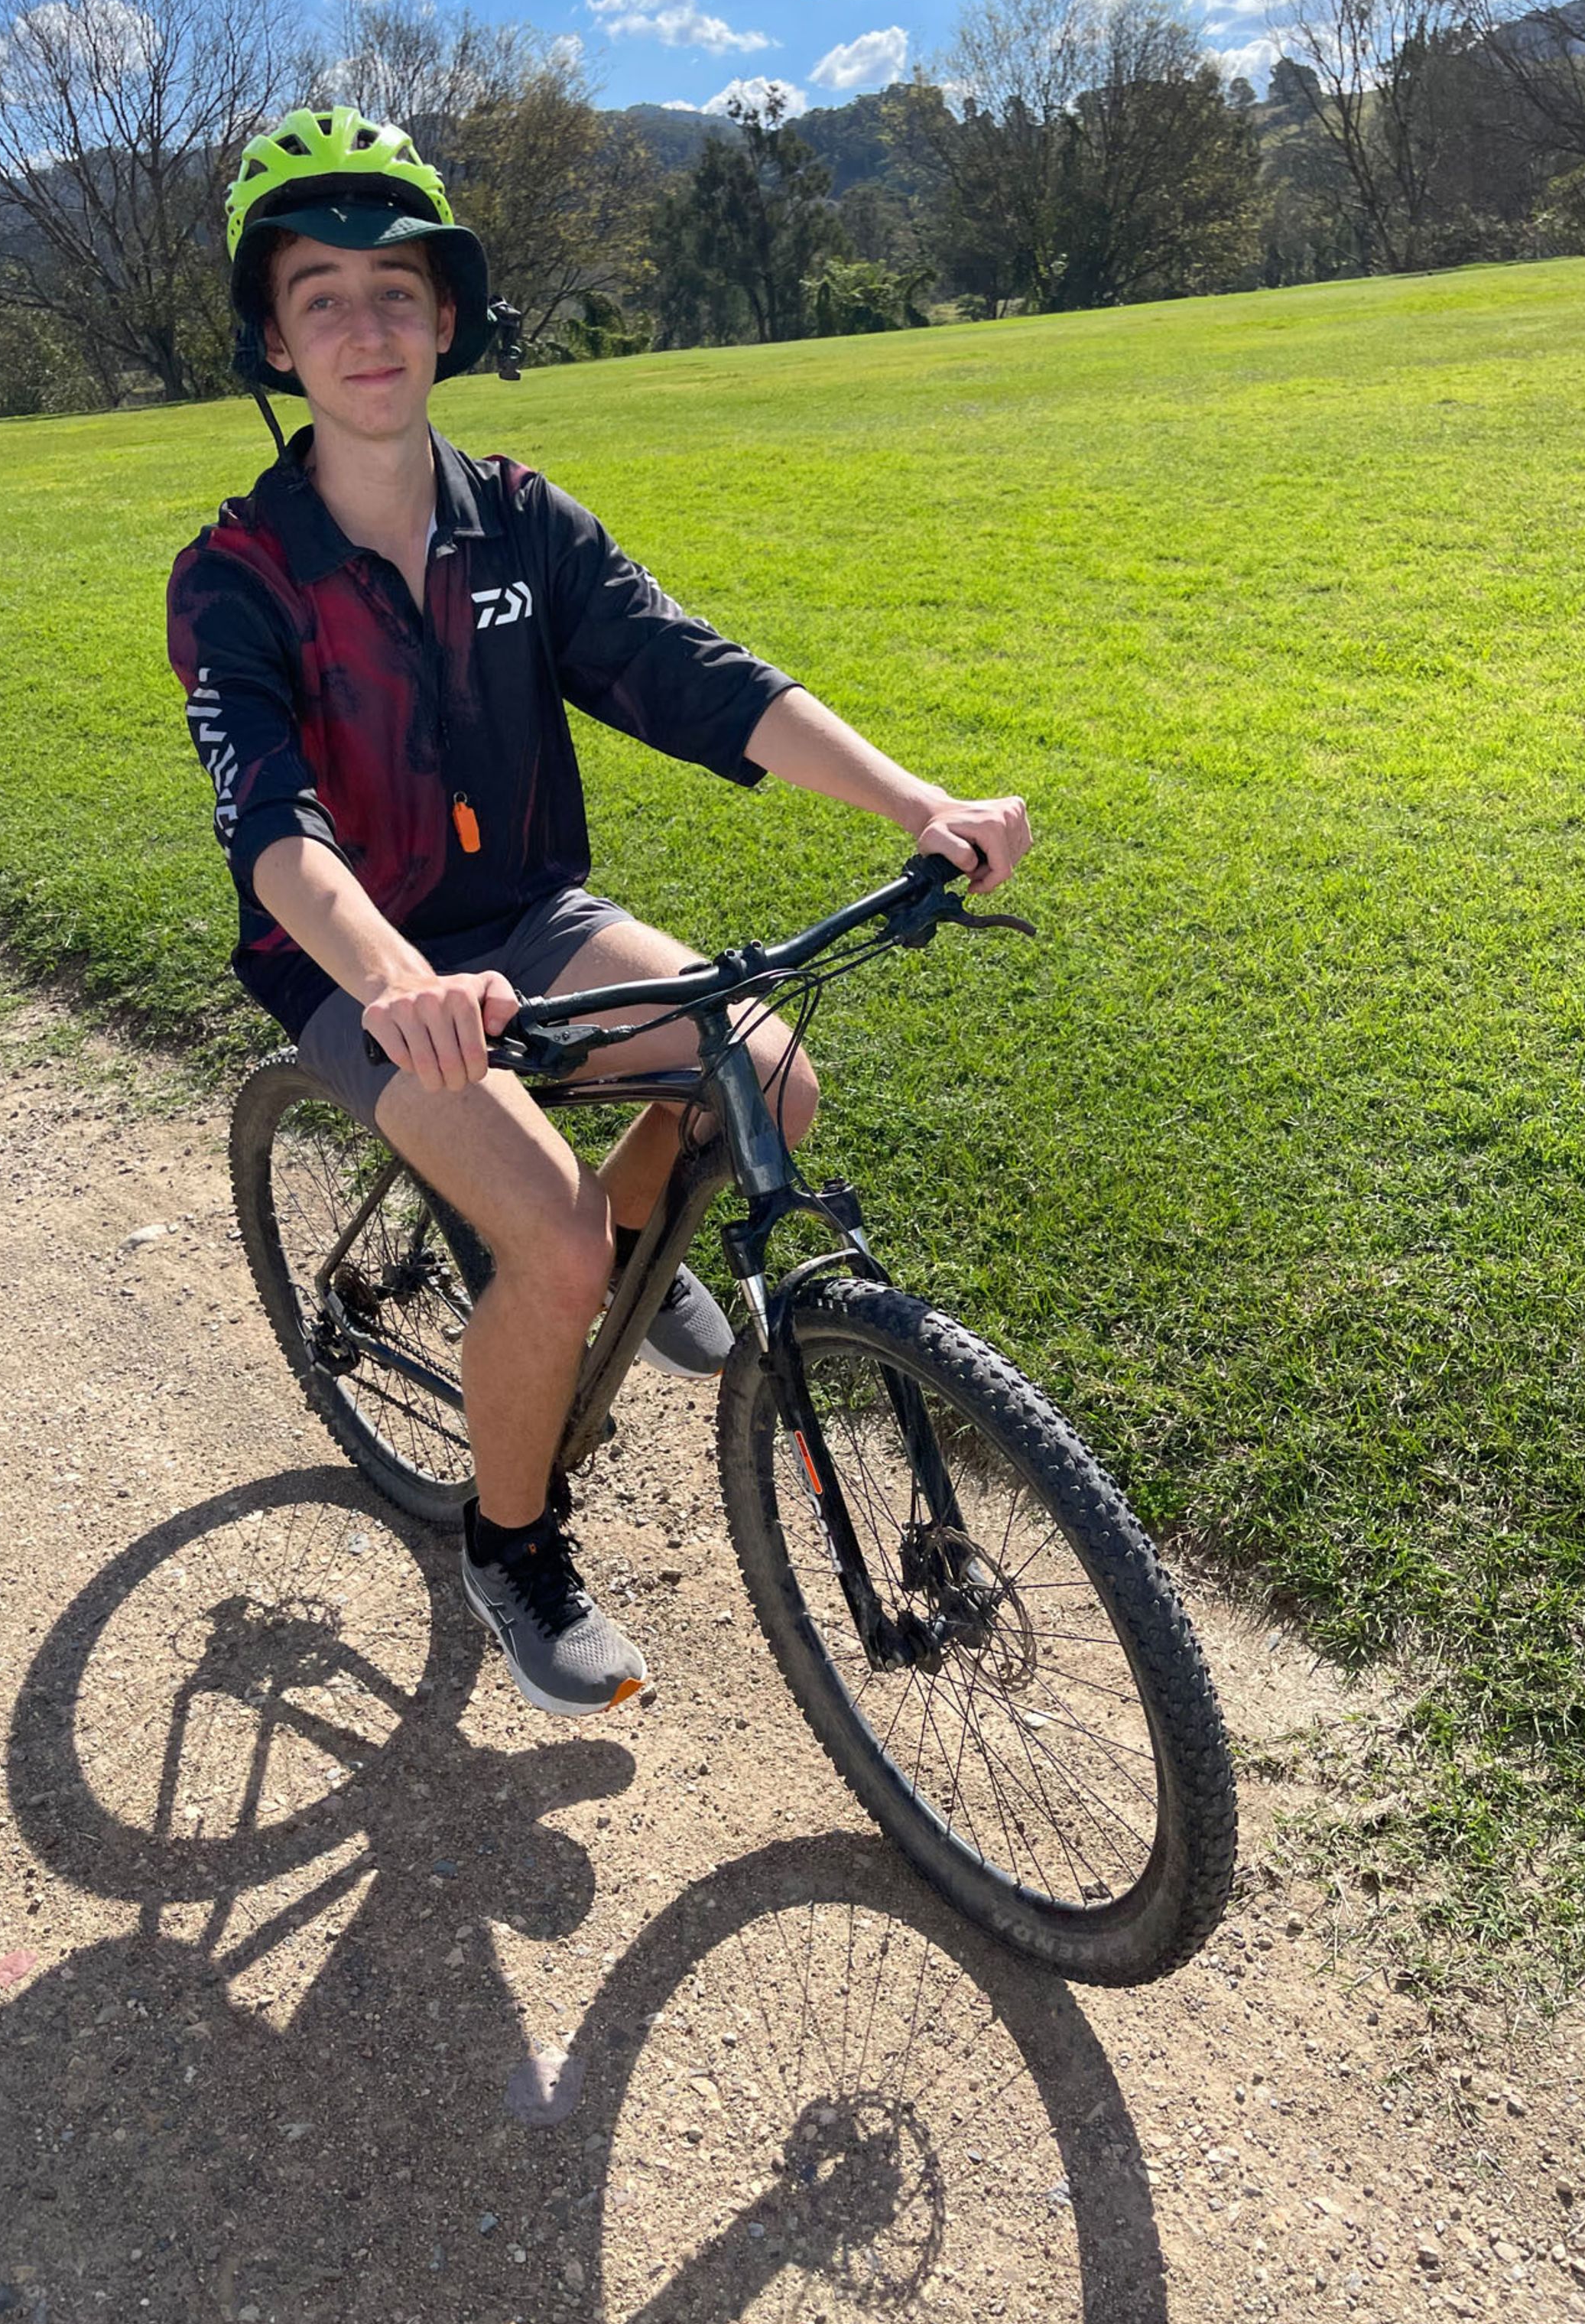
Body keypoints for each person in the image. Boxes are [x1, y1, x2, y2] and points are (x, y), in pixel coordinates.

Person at [169, 106, 1031, 1721]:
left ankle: (628, 1260)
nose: (367, 327)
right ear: (273, 339)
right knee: (553, 1239)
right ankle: (510, 1541)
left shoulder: (520, 520)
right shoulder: (236, 574)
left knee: (765, 1072)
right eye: (320, 296)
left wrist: (917, 801)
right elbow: (272, 831)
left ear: (448, 314)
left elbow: (694, 675)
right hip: (357, 966)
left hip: (523, 911)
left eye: (396, 289)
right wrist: (394, 978)